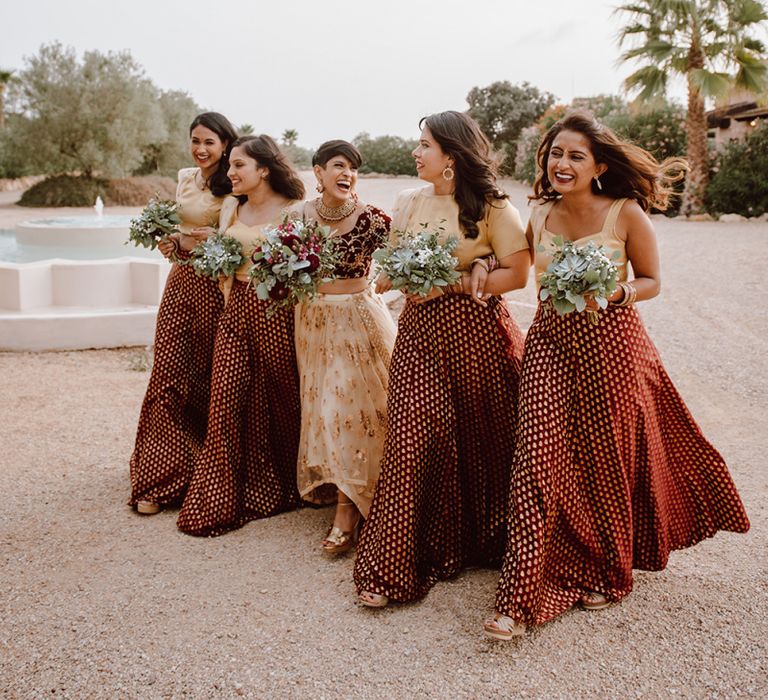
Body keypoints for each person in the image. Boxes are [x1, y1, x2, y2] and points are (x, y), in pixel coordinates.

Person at [483, 111, 750, 640]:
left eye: (575, 156)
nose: (562, 163)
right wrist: (476, 269)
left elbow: (652, 280)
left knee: (606, 462)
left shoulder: (625, 214)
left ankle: (609, 569)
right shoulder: (537, 213)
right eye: (555, 154)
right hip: (550, 346)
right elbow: (513, 267)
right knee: (536, 456)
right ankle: (517, 597)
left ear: (599, 165)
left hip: (612, 346)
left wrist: (615, 292)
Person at [353, 111, 531, 606]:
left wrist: (455, 280)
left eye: (424, 144)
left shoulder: (495, 207)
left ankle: (483, 541)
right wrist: (391, 278)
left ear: (451, 156)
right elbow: (389, 264)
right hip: (417, 335)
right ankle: (396, 562)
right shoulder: (408, 202)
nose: (416, 152)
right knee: (411, 434)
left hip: (475, 332)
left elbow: (518, 274)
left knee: (482, 433)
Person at [176, 134, 306, 537]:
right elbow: (220, 256)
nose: (229, 173)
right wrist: (200, 247)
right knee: (226, 395)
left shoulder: (295, 212)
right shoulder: (231, 206)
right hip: (233, 313)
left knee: (279, 395)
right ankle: (219, 489)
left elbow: (305, 270)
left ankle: (283, 481)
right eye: (229, 165)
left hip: (276, 313)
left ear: (264, 169)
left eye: (238, 166)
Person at [129, 112, 238, 515]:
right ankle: (160, 475)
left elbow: (234, 241)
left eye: (209, 141)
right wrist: (171, 241)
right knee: (170, 371)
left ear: (225, 144)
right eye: (196, 140)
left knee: (209, 376)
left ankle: (204, 467)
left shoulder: (235, 184)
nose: (201, 149)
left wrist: (202, 242)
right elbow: (178, 231)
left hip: (216, 289)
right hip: (180, 284)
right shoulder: (183, 177)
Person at [292, 140, 396, 555]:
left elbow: (410, 253)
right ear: (317, 172)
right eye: (338, 165)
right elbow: (275, 262)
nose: (347, 173)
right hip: (313, 322)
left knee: (350, 412)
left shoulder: (372, 220)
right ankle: (347, 491)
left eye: (352, 168)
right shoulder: (297, 218)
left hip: (358, 321)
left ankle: (347, 512)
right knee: (323, 412)